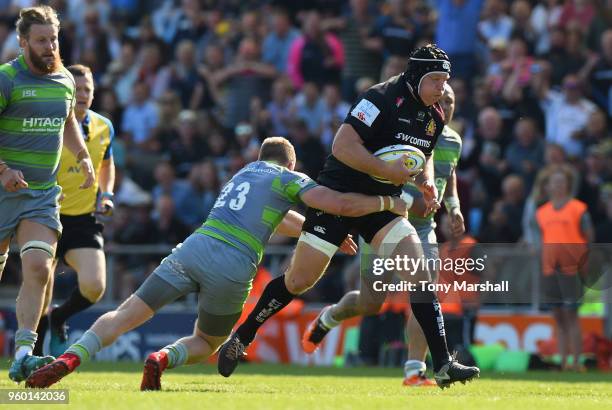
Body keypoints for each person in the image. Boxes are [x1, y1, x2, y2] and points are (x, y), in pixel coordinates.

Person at [25, 137, 409, 389]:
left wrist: (308, 226)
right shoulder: (289, 178)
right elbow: (335, 204)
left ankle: (72, 357)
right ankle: (162, 358)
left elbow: (281, 218)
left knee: (126, 314)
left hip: (195, 246)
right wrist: (382, 205)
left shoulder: (243, 173)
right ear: (290, 162)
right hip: (234, 265)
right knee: (209, 341)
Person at [219, 44, 480, 389]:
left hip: (380, 204)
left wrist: (426, 181)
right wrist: (384, 168)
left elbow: (422, 155)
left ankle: (443, 363)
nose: (442, 89)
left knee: (420, 275)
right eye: (436, 81)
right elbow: (342, 147)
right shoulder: (380, 98)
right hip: (337, 195)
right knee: (300, 280)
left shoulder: (432, 117)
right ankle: (244, 335)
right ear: (416, 76)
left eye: (445, 81)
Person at [0, 6, 95, 382]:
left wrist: (83, 155)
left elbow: (68, 119)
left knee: (39, 268)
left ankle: (24, 352)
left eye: (53, 39)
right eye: (41, 40)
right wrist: (4, 170)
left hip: (41, 195)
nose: (49, 46)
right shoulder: (6, 79)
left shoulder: (65, 80)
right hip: (3, 191)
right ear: (23, 42)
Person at [33, 64, 115, 358]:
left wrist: (106, 194)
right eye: (76, 89)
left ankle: (60, 318)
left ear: (94, 93)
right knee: (40, 289)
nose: (82, 94)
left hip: (82, 218)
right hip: (46, 215)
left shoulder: (104, 126)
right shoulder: (50, 124)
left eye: (87, 90)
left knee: (94, 286)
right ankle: (31, 356)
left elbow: (106, 163)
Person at [401, 83, 465, 386]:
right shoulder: (411, 130)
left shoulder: (453, 140)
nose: (447, 105)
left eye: (451, 100)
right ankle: (331, 316)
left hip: (425, 226)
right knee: (369, 301)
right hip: (390, 218)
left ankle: (415, 370)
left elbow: (448, 178)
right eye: (443, 99)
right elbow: (388, 173)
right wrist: (412, 199)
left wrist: (454, 208)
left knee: (425, 291)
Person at [536, 165, 593, 371]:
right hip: (550, 269)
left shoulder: (578, 208)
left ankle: (577, 362)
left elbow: (588, 237)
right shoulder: (542, 212)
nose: (558, 186)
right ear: (548, 186)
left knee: (572, 316)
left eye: (562, 182)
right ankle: (563, 361)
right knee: (558, 317)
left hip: (572, 269)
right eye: (555, 182)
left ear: (568, 184)